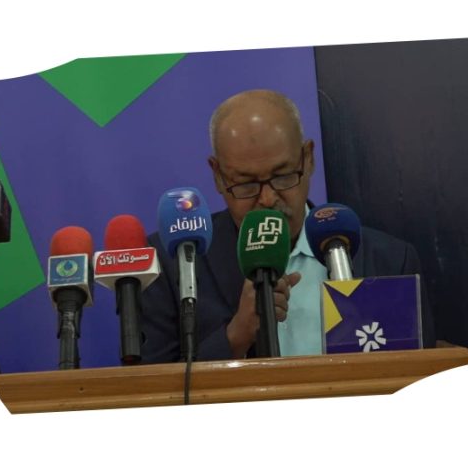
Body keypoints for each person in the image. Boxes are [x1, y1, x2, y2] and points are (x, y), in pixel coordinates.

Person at [140, 89, 434, 363]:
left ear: (308, 158)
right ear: (218, 175)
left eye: (282, 177)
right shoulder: (175, 262)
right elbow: (152, 386)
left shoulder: (390, 261)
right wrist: (236, 336)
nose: (268, 199)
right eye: (246, 183)